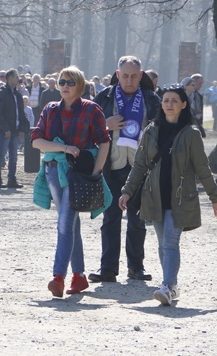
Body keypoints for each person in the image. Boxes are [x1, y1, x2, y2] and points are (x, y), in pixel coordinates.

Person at [119, 84, 217, 306]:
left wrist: (214, 197)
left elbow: (203, 169)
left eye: (174, 100)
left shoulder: (191, 134)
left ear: (184, 104)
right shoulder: (151, 131)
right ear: (161, 104)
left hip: (181, 197)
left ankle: (168, 285)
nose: (169, 104)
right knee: (163, 244)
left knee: (171, 241)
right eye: (166, 100)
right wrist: (127, 191)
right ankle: (171, 286)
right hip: (154, 195)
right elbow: (140, 165)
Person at [32, 66, 111, 297]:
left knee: (65, 223)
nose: (65, 86)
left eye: (70, 82)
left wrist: (96, 172)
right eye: (62, 82)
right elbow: (37, 141)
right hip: (53, 171)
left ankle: (58, 276)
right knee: (70, 222)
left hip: (79, 174)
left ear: (80, 86)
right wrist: (64, 147)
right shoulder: (50, 109)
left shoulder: (91, 109)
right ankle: (79, 276)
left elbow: (104, 142)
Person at [89, 56, 161, 283]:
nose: (129, 81)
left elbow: (161, 131)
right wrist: (104, 125)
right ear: (118, 75)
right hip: (111, 166)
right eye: (125, 76)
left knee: (137, 219)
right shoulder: (103, 96)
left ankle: (136, 267)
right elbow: (88, 129)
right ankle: (108, 269)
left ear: (141, 76)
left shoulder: (151, 99)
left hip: (141, 168)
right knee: (110, 217)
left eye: (134, 76)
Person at [0, 68, 30, 189]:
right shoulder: (2, 93)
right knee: (1, 155)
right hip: (5, 130)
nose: (17, 78)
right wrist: (6, 128)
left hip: (15, 129)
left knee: (14, 157)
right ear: (10, 79)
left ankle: (11, 179)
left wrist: (23, 128)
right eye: (15, 76)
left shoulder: (17, 94)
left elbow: (21, 112)